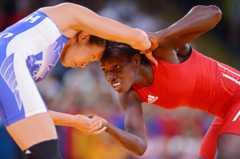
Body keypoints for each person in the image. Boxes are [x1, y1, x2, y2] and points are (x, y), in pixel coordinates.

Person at [0, 2, 153, 159]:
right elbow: (137, 36)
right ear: (83, 36)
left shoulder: (42, 60)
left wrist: (75, 121)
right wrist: (149, 45)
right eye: (92, 57)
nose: (83, 66)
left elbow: (31, 114)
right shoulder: (66, 15)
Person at [100, 5, 239, 159]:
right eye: (105, 70)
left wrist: (160, 37)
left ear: (135, 60)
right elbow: (139, 146)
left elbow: (213, 12)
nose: (110, 77)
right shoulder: (130, 95)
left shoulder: (163, 51)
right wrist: (106, 127)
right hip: (224, 112)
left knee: (229, 153)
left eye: (116, 68)